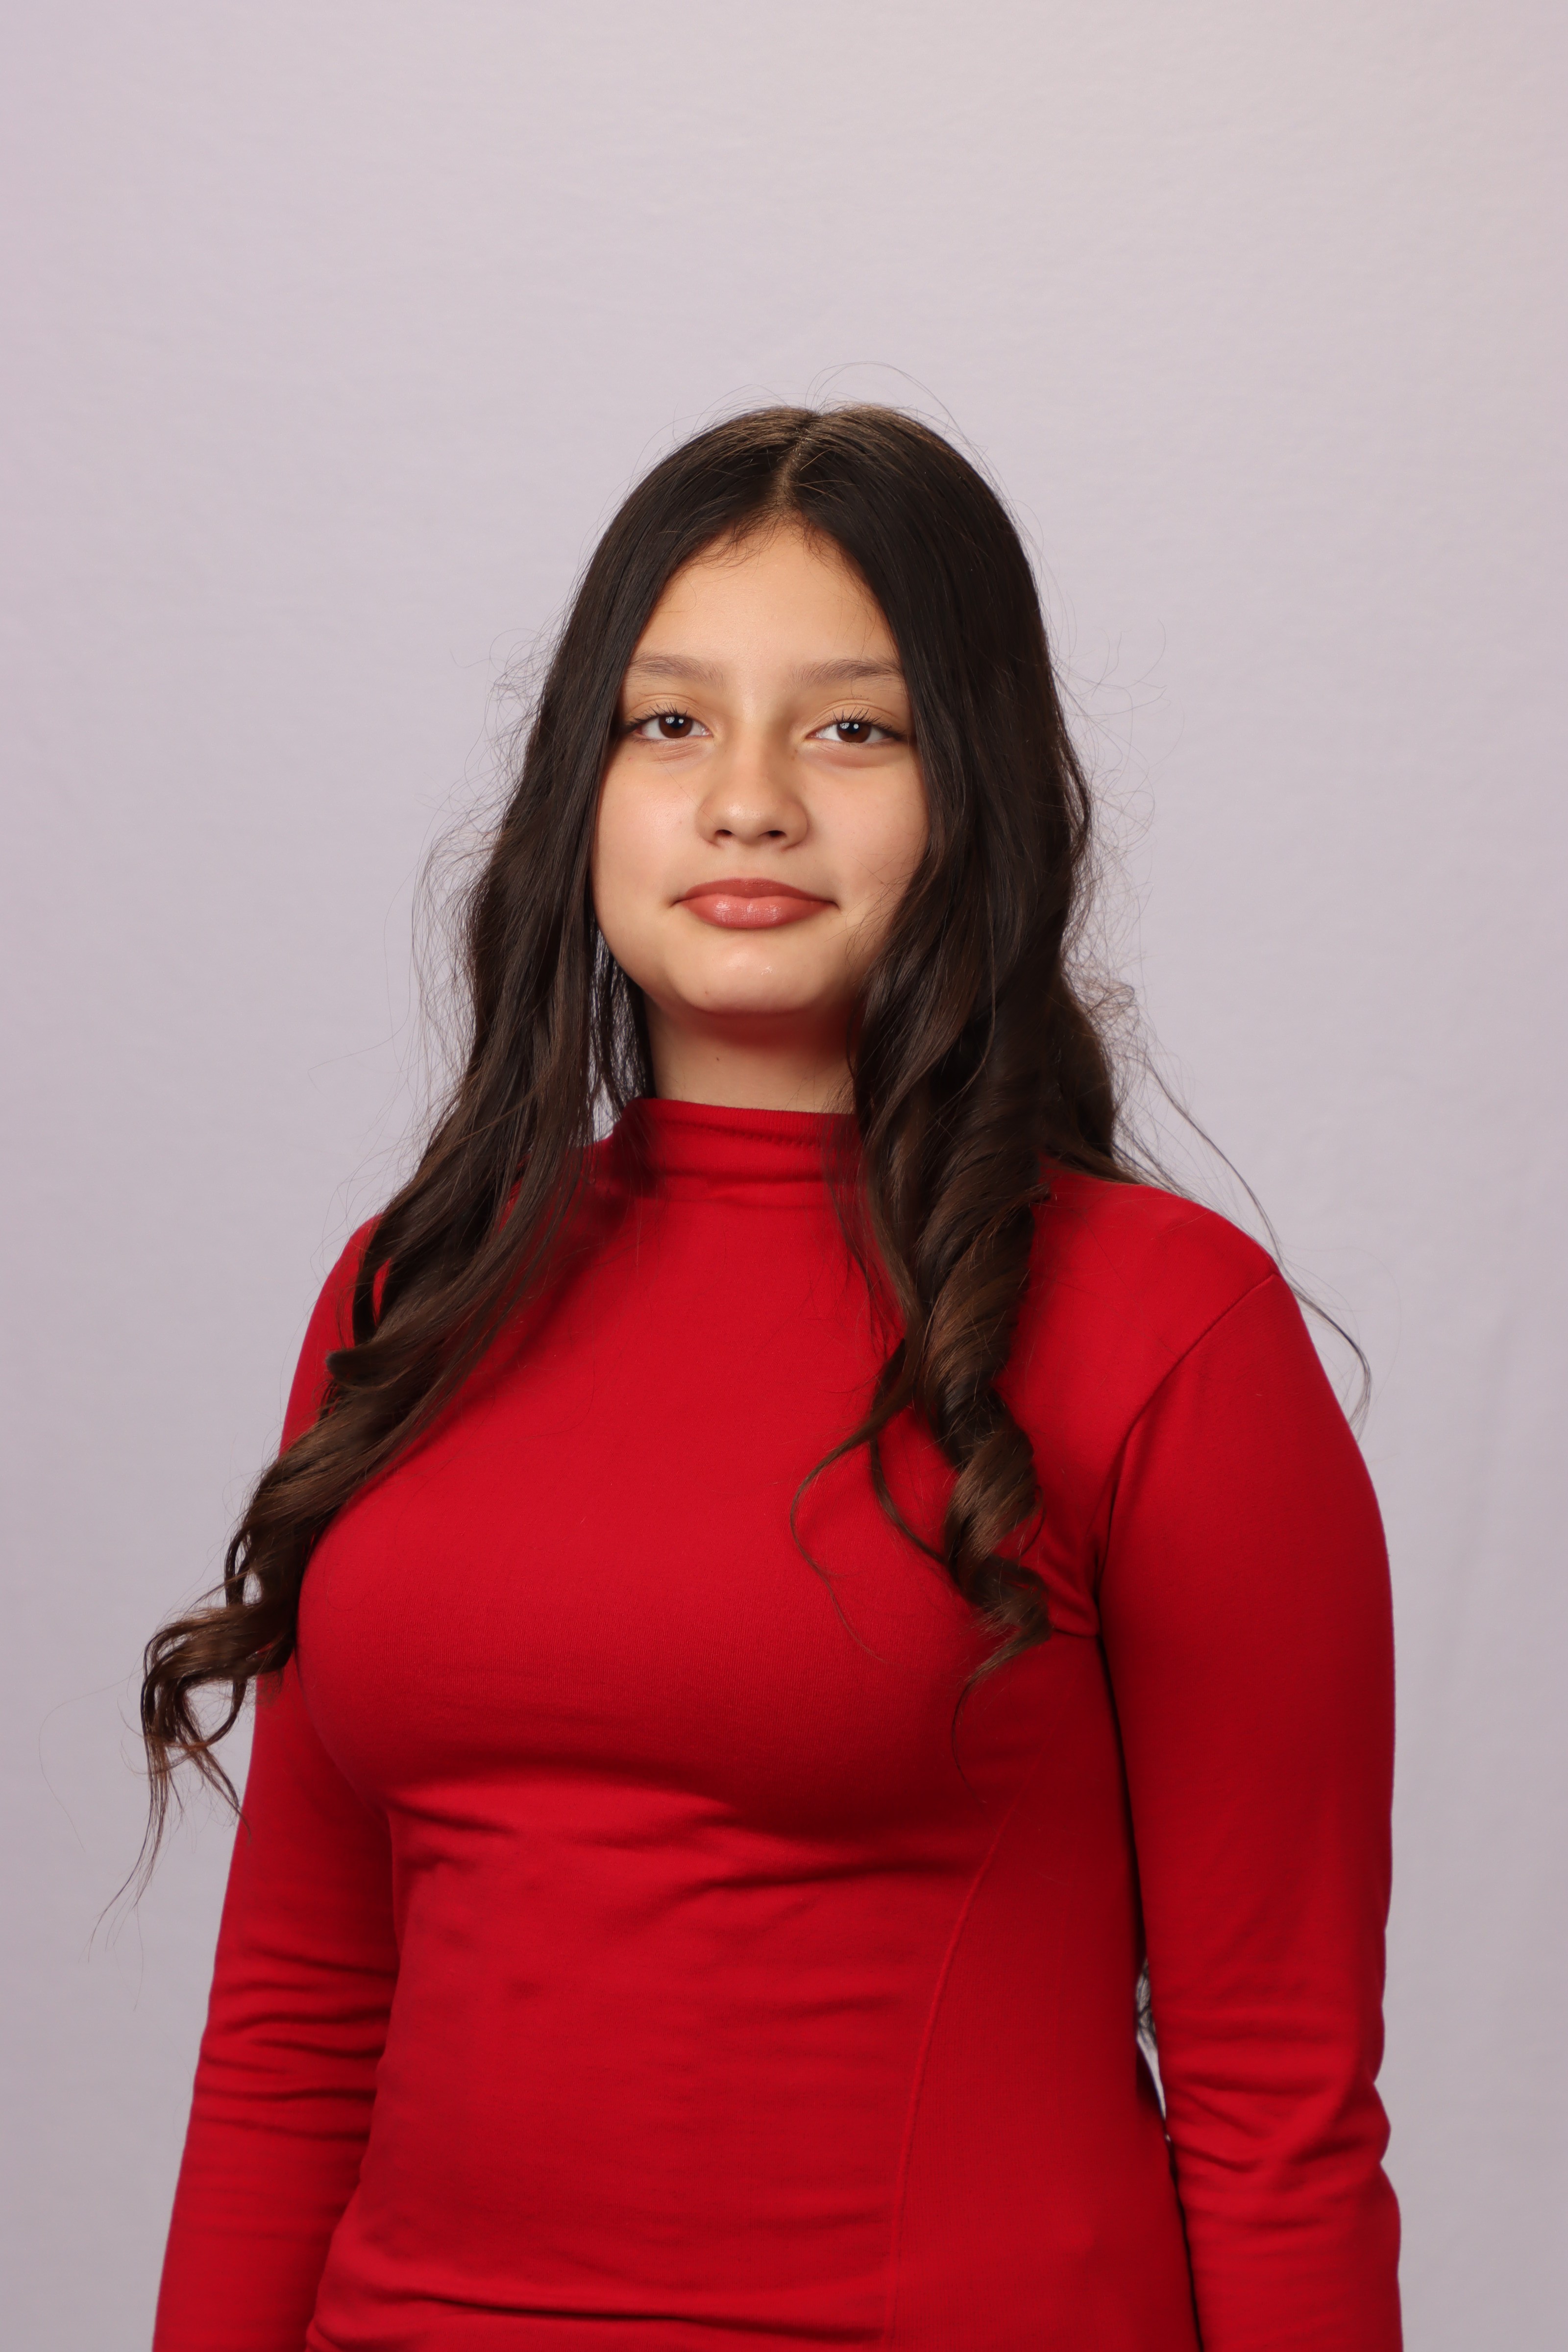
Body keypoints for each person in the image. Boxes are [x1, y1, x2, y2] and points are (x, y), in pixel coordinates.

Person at [144, 406, 1401, 2351]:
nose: (747, 802)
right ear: (578, 791)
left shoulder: (1164, 1329)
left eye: (852, 729)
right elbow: (294, 2022)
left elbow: (1279, 2115)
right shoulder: (420, 1289)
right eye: (669, 723)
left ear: (978, 791)